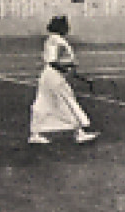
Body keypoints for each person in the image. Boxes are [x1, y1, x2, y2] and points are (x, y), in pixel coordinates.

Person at [29, 16, 97, 144]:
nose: (68, 28)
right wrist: (67, 71)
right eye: (65, 25)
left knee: (47, 102)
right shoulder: (55, 41)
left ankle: (36, 133)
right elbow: (53, 61)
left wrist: (82, 78)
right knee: (67, 100)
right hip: (54, 76)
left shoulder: (56, 40)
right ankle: (79, 132)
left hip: (53, 76)